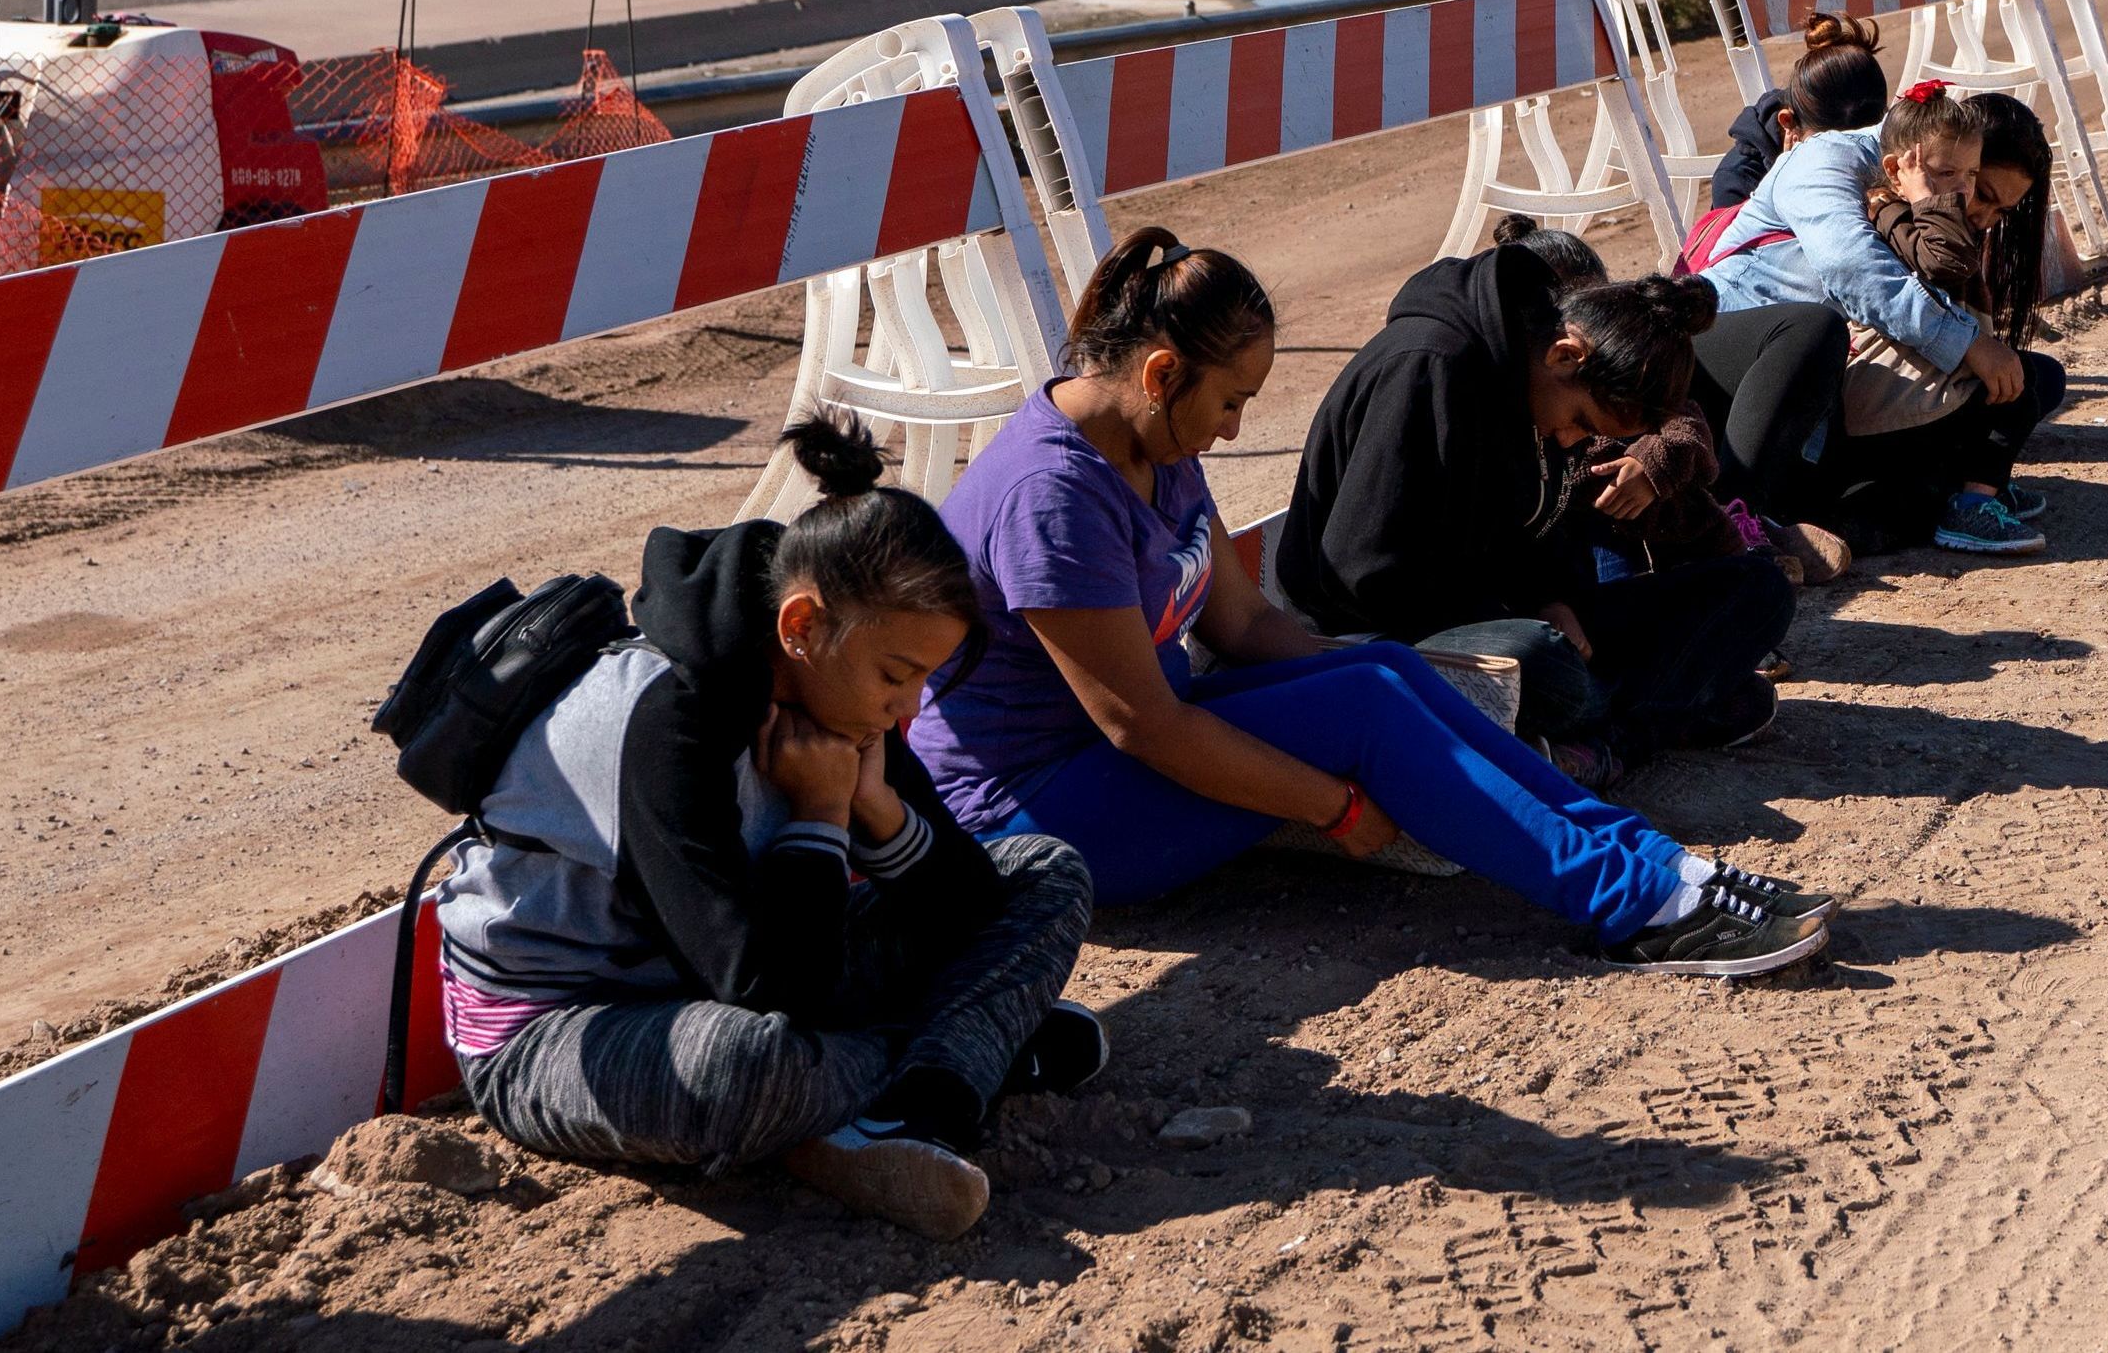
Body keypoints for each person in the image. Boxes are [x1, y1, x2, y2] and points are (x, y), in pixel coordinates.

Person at [907, 229, 1833, 978]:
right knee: (1365, 702)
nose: (1235, 429)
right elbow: (1141, 726)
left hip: (1128, 748)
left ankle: (1661, 867)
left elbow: (1245, 625)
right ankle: (1637, 908)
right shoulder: (1052, 494)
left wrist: (1377, 693)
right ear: (1159, 375)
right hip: (1029, 813)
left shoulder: (1158, 447)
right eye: (1232, 403)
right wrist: (1334, 805)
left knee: (1382, 671)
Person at [435, 415, 1101, 1240]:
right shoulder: (664, 722)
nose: (913, 706)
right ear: (801, 627)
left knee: (1044, 869)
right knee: (743, 1065)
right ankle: (959, 1060)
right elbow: (759, 988)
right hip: (561, 1025)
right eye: (899, 676)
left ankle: (917, 1103)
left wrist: (876, 808)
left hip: (756, 970)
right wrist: (821, 816)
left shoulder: (839, 687)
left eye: (924, 677)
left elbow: (973, 901)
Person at [1275, 235, 1797, 776]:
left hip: (1509, 615)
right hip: (1382, 632)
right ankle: (1644, 723)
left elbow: (1532, 536)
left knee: (1758, 591)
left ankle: (1606, 735)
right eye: (1581, 423)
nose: (1573, 442)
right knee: (1540, 660)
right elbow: (1363, 572)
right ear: (1566, 356)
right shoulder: (1428, 366)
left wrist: (1552, 600)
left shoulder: (1533, 381)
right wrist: (1522, 614)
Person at [1703, 85, 2061, 559]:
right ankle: (1741, 514)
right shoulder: (1835, 167)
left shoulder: (1933, 194)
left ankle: (1942, 493)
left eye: (1999, 209)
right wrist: (1969, 344)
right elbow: (1862, 276)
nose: (1984, 217)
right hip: (1755, 373)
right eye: (1982, 192)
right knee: (1816, 333)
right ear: (1931, 159)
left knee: (2034, 379)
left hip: (1841, 382)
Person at [1701, 13, 1889, 219]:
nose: (1854, 159)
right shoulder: (1737, 184)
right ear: (1787, 122)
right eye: (1834, 149)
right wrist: (1785, 183)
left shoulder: (1878, 141)